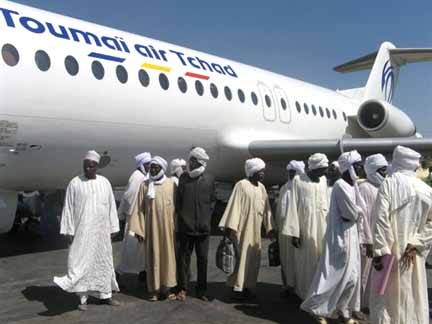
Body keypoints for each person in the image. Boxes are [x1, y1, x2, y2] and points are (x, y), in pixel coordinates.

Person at [370, 146, 432, 324]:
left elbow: (380, 220)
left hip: (389, 256)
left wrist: (380, 252)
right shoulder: (425, 189)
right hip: (412, 255)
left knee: (387, 300)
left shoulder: (388, 184)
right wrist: (417, 244)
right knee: (412, 296)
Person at [301, 150, 364, 324]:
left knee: (352, 277)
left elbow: (357, 211)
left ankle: (343, 311)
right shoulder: (340, 186)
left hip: (351, 235)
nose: (360, 168)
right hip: (340, 237)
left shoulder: (352, 186)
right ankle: (316, 308)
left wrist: (358, 212)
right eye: (357, 166)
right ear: (349, 168)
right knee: (332, 276)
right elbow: (350, 214)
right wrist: (359, 212)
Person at [53, 150, 120, 311]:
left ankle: (106, 296)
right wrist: (67, 230)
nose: (88, 169)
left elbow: (111, 206)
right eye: (85, 166)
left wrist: (114, 226)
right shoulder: (75, 183)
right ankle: (83, 299)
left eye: (91, 166)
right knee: (80, 263)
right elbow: (68, 208)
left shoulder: (105, 182)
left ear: (96, 167)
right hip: (82, 233)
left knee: (103, 263)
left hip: (101, 234)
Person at [218, 158, 275, 300]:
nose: (262, 174)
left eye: (263, 171)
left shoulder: (261, 188)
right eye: (260, 171)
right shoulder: (241, 185)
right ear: (252, 171)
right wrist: (231, 229)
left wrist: (270, 227)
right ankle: (237, 288)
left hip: (255, 230)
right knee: (241, 258)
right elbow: (234, 206)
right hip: (242, 230)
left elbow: (266, 208)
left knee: (254, 259)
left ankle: (249, 286)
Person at [281, 153, 330, 300]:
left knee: (321, 260)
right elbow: (293, 207)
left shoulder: (323, 180)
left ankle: (319, 295)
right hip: (305, 227)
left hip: (322, 227)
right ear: (314, 168)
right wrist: (295, 232)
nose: (325, 172)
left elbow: (326, 203)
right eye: (322, 169)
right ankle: (304, 294)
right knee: (305, 263)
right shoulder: (298, 180)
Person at [129, 156, 177, 301]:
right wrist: (139, 230)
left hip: (168, 231)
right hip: (151, 231)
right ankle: (154, 290)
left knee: (167, 258)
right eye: (151, 167)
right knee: (153, 259)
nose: (153, 169)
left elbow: (177, 208)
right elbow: (138, 209)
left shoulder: (171, 184)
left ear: (162, 168)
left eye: (156, 167)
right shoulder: (144, 186)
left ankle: (167, 289)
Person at [176, 147, 215, 302]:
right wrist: (183, 219)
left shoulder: (209, 179)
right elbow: (178, 202)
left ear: (199, 162)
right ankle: (183, 288)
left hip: (203, 229)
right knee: (184, 260)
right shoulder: (184, 178)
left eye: (193, 161)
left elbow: (212, 201)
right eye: (190, 160)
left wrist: (206, 219)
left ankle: (201, 290)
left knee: (203, 260)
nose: (189, 164)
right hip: (186, 229)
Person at [357, 153, 388, 310]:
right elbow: (362, 219)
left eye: (385, 170)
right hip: (368, 242)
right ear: (373, 171)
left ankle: (371, 303)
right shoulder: (363, 188)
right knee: (364, 274)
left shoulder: (383, 188)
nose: (384, 174)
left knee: (376, 275)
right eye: (382, 171)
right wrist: (367, 241)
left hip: (381, 239)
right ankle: (361, 305)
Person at [116, 152, 151, 281]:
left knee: (142, 250)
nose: (149, 167)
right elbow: (128, 197)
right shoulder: (137, 177)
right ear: (141, 165)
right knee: (131, 248)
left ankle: (143, 273)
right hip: (134, 218)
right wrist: (123, 214)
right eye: (147, 164)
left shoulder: (143, 176)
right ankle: (118, 274)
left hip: (142, 217)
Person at [276, 160, 305, 296]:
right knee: (285, 259)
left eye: (294, 172)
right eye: (290, 172)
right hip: (283, 232)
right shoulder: (284, 188)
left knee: (297, 260)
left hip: (296, 231)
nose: (291, 175)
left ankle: (299, 288)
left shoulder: (302, 188)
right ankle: (288, 285)